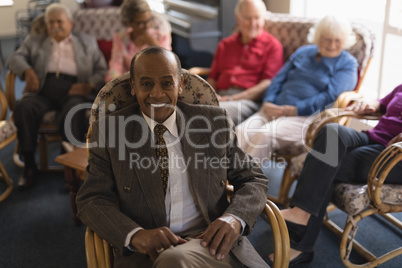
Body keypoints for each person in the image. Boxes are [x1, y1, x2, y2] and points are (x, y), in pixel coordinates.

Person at [76, 47, 270, 268]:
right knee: (172, 260)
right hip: (148, 253)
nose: (157, 94)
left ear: (180, 85)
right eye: (146, 84)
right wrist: (136, 235)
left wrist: (234, 218)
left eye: (167, 83)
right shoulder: (110, 131)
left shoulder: (213, 122)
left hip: (212, 245)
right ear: (133, 86)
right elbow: (91, 199)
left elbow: (253, 178)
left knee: (175, 260)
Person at [273, 84, 402, 266]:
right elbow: (381, 103)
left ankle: (301, 244)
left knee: (327, 161)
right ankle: (301, 213)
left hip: (395, 158)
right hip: (373, 138)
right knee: (333, 133)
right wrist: (371, 104)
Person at [6, 3, 107, 190]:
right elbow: (14, 58)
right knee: (23, 107)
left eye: (59, 21)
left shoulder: (87, 41)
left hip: (74, 90)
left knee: (73, 110)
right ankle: (29, 165)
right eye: (50, 22)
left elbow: (101, 69)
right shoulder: (35, 41)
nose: (54, 26)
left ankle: (69, 167)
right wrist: (27, 71)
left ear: (70, 23)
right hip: (43, 90)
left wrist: (89, 85)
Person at [236, 15, 358, 163]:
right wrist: (268, 101)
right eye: (327, 39)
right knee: (240, 132)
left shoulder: (347, 64)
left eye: (337, 40)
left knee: (264, 135)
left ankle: (245, 184)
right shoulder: (303, 52)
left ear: (344, 41)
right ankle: (223, 183)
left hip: (305, 118)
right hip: (273, 108)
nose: (332, 45)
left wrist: (294, 110)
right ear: (319, 37)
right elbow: (278, 79)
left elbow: (329, 96)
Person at [207, 0, 283, 125]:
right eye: (248, 18)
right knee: (187, 109)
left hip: (248, 100)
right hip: (220, 96)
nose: (253, 24)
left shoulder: (273, 46)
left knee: (215, 114)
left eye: (257, 18)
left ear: (263, 19)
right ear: (238, 18)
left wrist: (231, 99)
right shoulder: (225, 45)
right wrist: (211, 96)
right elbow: (212, 78)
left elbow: (267, 84)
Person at [105, 0, 172, 81]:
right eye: (140, 23)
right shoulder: (121, 39)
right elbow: (115, 67)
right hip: (129, 84)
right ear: (128, 23)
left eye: (149, 20)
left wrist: (154, 44)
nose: (147, 27)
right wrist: (114, 83)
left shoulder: (161, 37)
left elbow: (169, 64)